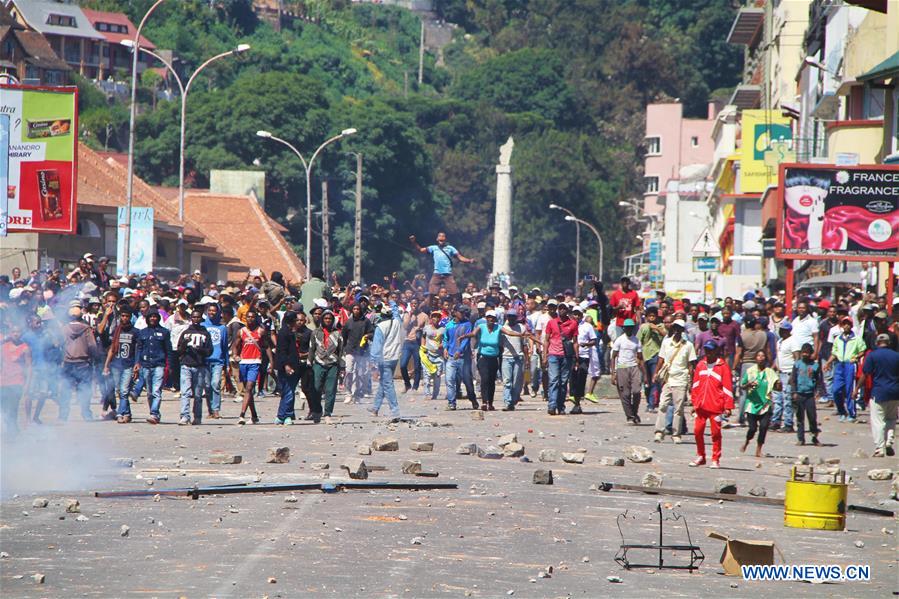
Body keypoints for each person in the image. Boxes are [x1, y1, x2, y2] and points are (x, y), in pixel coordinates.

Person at [689, 340, 734, 468]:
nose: (708, 353)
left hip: (716, 406)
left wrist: (728, 406)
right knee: (698, 431)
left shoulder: (723, 367)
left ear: (716, 351)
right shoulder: (700, 365)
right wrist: (694, 403)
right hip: (701, 406)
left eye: (710, 350)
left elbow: (727, 388)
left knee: (715, 434)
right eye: (706, 350)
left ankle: (715, 459)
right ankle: (701, 456)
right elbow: (696, 385)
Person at [653, 319, 696, 443]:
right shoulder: (666, 343)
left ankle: (676, 433)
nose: (677, 330)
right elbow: (661, 359)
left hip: (681, 379)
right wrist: (656, 373)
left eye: (679, 328)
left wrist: (691, 382)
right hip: (668, 378)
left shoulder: (688, 345)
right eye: (675, 327)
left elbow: (691, 365)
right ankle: (659, 432)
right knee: (662, 405)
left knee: (679, 409)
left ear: (682, 330)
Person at [231, 308, 274, 425]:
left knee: (250, 387)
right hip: (244, 362)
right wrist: (235, 355)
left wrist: (271, 362)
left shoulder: (261, 331)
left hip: (255, 362)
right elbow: (235, 345)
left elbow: (267, 346)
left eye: (252, 317)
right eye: (248, 317)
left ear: (256, 318)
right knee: (247, 391)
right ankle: (254, 415)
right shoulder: (241, 331)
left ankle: (242, 415)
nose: (250, 319)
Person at [862, 333, 899, 457]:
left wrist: (856, 389)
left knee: (878, 421)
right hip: (894, 392)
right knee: (891, 419)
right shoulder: (896, 356)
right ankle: (889, 441)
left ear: (877, 343)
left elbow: (865, 373)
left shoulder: (872, 355)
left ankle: (879, 448)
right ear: (889, 343)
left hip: (879, 392)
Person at [824, 317, 866, 423]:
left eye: (848, 324)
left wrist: (856, 357)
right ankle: (842, 411)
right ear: (841, 326)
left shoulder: (856, 338)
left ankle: (852, 413)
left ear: (851, 326)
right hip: (839, 365)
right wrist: (828, 363)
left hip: (850, 365)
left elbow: (862, 350)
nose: (846, 326)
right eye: (844, 324)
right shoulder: (838, 338)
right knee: (836, 390)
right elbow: (834, 353)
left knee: (849, 389)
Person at [63, 304, 100, 422]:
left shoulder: (64, 329)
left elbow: (59, 344)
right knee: (84, 389)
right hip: (84, 363)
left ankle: (63, 415)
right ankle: (86, 414)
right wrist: (96, 358)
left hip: (68, 362)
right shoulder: (86, 329)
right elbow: (92, 345)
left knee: (66, 390)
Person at [133, 310, 171, 425]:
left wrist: (169, 365)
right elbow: (139, 348)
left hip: (159, 364)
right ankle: (154, 413)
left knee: (156, 391)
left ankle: (154, 413)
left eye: (155, 316)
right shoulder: (142, 332)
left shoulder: (164, 332)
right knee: (149, 392)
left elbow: (168, 350)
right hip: (145, 365)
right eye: (151, 317)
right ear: (147, 318)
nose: (153, 319)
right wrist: (137, 362)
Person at [409, 232, 475, 297]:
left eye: (443, 236)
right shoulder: (433, 248)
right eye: (440, 236)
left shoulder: (450, 248)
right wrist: (414, 242)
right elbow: (421, 250)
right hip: (437, 274)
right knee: (431, 293)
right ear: (437, 239)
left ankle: (457, 306)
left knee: (454, 293)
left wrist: (469, 260)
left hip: (447, 274)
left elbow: (460, 257)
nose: (441, 237)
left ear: (445, 239)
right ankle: (430, 307)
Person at [740, 350, 779, 456]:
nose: (761, 358)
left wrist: (778, 384)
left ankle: (759, 449)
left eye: (763, 356)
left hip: (765, 404)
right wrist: (748, 384)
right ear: (755, 358)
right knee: (752, 428)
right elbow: (742, 386)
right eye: (759, 355)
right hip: (752, 404)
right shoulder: (750, 371)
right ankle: (747, 442)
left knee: (763, 427)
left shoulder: (770, 372)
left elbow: (777, 387)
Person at [369, 302, 404, 418]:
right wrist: (393, 303)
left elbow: (376, 346)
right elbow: (396, 313)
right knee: (384, 382)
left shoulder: (380, 327)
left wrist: (372, 360)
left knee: (387, 384)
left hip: (385, 358)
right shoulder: (398, 322)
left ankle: (395, 410)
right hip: (395, 357)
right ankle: (375, 408)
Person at [544, 302, 579, 416]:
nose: (562, 310)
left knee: (563, 382)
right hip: (553, 354)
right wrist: (545, 356)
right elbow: (546, 340)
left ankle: (561, 406)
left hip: (567, 356)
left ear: (568, 311)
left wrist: (576, 357)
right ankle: (552, 405)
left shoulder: (573, 323)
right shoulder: (551, 323)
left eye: (564, 308)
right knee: (554, 380)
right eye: (560, 308)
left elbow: (575, 342)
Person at [464, 309, 503, 411]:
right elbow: (473, 333)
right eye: (489, 317)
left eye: (493, 318)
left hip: (494, 358)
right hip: (483, 357)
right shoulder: (481, 327)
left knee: (491, 381)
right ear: (486, 318)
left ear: (495, 319)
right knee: (484, 379)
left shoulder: (498, 328)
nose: (491, 319)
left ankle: (490, 403)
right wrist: (464, 336)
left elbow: (509, 332)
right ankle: (484, 402)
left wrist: (520, 334)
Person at [735, 316, 770, 425]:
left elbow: (739, 353)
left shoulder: (742, 335)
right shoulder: (763, 335)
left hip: (746, 363)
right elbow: (767, 351)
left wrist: (734, 366)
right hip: (759, 364)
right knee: (760, 391)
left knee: (743, 392)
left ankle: (741, 417)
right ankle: (760, 415)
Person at [104, 309, 137, 424]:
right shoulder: (117, 331)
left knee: (124, 391)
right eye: (122, 315)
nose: (124, 318)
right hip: (116, 365)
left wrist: (137, 365)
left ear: (130, 317)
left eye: (127, 316)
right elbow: (112, 349)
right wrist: (106, 365)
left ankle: (120, 413)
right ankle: (127, 413)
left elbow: (138, 350)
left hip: (128, 365)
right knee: (119, 390)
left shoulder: (135, 332)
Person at [311, 310, 344, 423]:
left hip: (333, 364)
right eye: (326, 318)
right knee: (316, 389)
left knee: (330, 390)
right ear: (322, 319)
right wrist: (310, 363)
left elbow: (341, 351)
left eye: (330, 318)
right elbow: (312, 349)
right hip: (318, 363)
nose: (328, 320)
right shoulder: (315, 333)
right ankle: (316, 411)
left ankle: (327, 413)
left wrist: (342, 366)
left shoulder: (338, 333)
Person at [611, 318, 646, 424]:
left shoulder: (636, 340)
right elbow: (613, 356)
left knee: (636, 392)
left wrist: (644, 373)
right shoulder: (620, 340)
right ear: (624, 328)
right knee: (625, 394)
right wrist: (613, 372)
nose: (629, 329)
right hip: (622, 367)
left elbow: (640, 357)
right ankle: (630, 416)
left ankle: (634, 412)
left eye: (631, 327)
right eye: (627, 328)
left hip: (634, 367)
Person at [444, 306, 478, 411]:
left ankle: (473, 399)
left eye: (464, 312)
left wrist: (459, 351)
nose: (463, 314)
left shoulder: (467, 324)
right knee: (449, 380)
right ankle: (451, 403)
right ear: (455, 312)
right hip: (451, 357)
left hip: (464, 358)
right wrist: (445, 348)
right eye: (461, 312)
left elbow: (466, 340)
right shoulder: (449, 325)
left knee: (467, 381)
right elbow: (446, 338)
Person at [1, 322, 32, 434]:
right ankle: (12, 428)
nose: (15, 334)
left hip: (17, 382)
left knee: (13, 408)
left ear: (21, 333)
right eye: (13, 332)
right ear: (10, 333)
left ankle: (12, 432)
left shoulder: (25, 348)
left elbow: (29, 367)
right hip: (3, 382)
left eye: (18, 332)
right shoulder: (3, 347)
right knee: (3, 408)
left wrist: (27, 384)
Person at [342, 303, 374, 405]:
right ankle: (348, 393)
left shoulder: (366, 321)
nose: (356, 311)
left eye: (358, 309)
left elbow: (372, 333)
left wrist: (367, 335)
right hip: (350, 350)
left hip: (362, 351)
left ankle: (357, 394)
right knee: (349, 372)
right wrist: (344, 349)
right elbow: (344, 336)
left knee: (360, 374)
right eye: (354, 309)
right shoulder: (348, 322)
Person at [791, 343, 821, 447]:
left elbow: (818, 380)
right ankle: (801, 439)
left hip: (809, 395)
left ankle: (814, 437)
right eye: (803, 352)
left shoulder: (815, 366)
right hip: (799, 394)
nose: (805, 354)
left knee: (812, 417)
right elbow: (793, 379)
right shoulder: (797, 364)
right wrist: (794, 392)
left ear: (810, 353)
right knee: (800, 417)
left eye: (807, 353)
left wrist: (817, 392)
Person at [274, 311, 302, 425]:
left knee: (287, 391)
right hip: (287, 366)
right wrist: (287, 365)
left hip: (290, 365)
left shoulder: (290, 332)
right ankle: (284, 415)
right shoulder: (284, 333)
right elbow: (282, 351)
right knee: (289, 391)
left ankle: (282, 416)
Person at [202, 303, 229, 419]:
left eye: (214, 311)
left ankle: (216, 409)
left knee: (215, 384)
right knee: (207, 386)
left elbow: (224, 347)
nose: (212, 313)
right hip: (205, 361)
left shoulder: (222, 328)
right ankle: (210, 410)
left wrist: (227, 364)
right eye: (210, 310)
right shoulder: (202, 326)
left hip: (218, 361)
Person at [499, 309, 529, 411]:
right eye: (509, 316)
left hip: (518, 358)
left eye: (513, 316)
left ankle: (513, 400)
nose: (511, 318)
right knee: (507, 381)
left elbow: (524, 345)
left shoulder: (521, 328)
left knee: (517, 382)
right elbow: (500, 344)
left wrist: (527, 359)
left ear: (516, 318)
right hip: (506, 357)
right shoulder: (503, 328)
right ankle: (507, 402)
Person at [637, 306, 665, 413]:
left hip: (656, 356)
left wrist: (657, 329)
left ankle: (651, 404)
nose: (652, 318)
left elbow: (666, 336)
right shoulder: (643, 327)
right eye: (650, 316)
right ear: (647, 317)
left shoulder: (661, 326)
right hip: (644, 357)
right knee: (646, 381)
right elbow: (638, 341)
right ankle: (649, 399)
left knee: (654, 380)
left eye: (654, 316)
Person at [772, 322, 798, 432]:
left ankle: (788, 423)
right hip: (779, 372)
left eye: (784, 330)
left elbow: (797, 358)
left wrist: (793, 375)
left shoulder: (793, 341)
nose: (781, 331)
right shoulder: (780, 341)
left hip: (788, 373)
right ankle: (776, 421)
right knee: (777, 398)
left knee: (788, 399)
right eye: (781, 329)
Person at [400, 299, 427, 393]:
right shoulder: (407, 314)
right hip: (407, 342)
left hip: (417, 343)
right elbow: (404, 327)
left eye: (416, 303)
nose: (414, 305)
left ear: (418, 305)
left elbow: (427, 330)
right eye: (412, 304)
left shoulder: (424, 316)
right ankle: (407, 384)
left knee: (417, 366)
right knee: (403, 365)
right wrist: (410, 316)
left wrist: (421, 329)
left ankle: (415, 387)